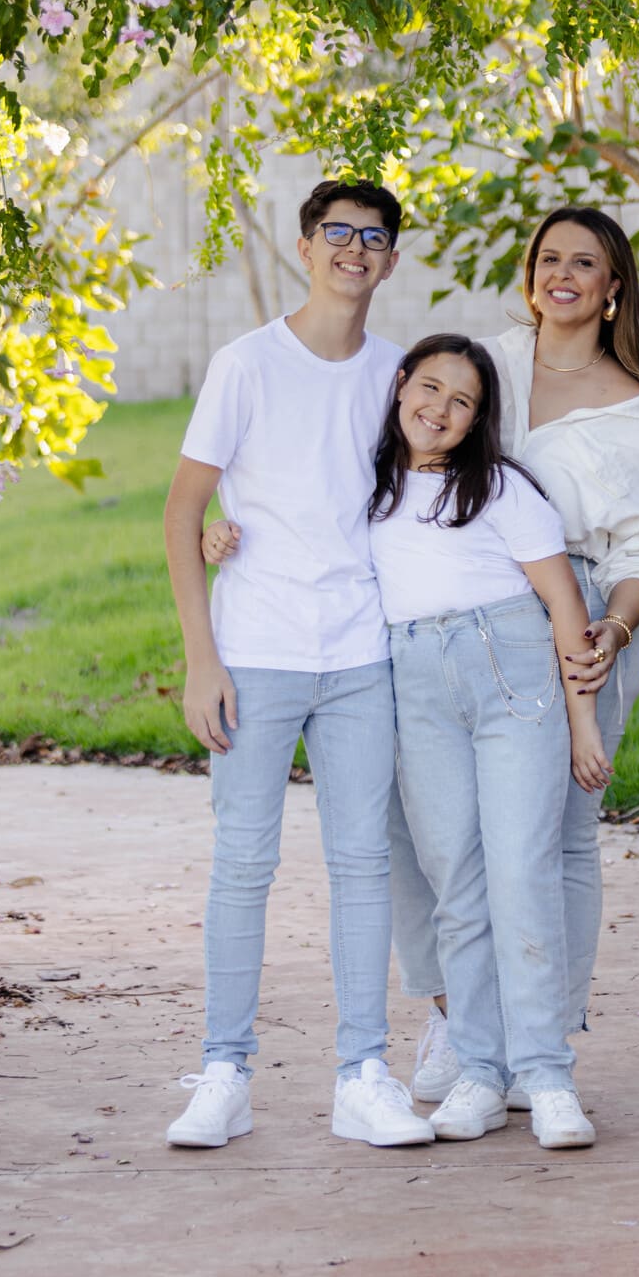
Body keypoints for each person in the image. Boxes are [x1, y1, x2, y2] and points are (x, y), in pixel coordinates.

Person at [396, 207, 639, 1106]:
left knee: (555, 839)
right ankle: (458, 1016)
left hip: (583, 614)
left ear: (612, 292)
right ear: (531, 274)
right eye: (551, 258)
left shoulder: (637, 411)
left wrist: (616, 627)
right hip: (454, 615)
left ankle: (541, 1042)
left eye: (587, 263)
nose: (564, 273)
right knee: (430, 833)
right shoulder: (485, 365)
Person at [161, 179, 435, 1150]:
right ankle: (223, 1074)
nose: (353, 251)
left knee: (364, 865)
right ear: (304, 247)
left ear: (391, 261)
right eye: (337, 234)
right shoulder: (246, 366)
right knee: (243, 864)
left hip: (363, 654)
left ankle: (365, 1075)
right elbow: (184, 511)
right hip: (258, 654)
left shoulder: (404, 377)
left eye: (372, 238)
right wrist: (203, 660)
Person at [370, 333, 607, 1149]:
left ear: (478, 421)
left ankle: (546, 1077)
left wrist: (582, 722)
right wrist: (219, 536)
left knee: (519, 869)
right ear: (400, 387)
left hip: (511, 677)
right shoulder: (367, 489)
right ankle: (479, 1069)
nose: (438, 410)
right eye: (428, 389)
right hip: (418, 686)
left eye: (460, 402)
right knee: (456, 883)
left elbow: (565, 603)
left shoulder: (501, 489)